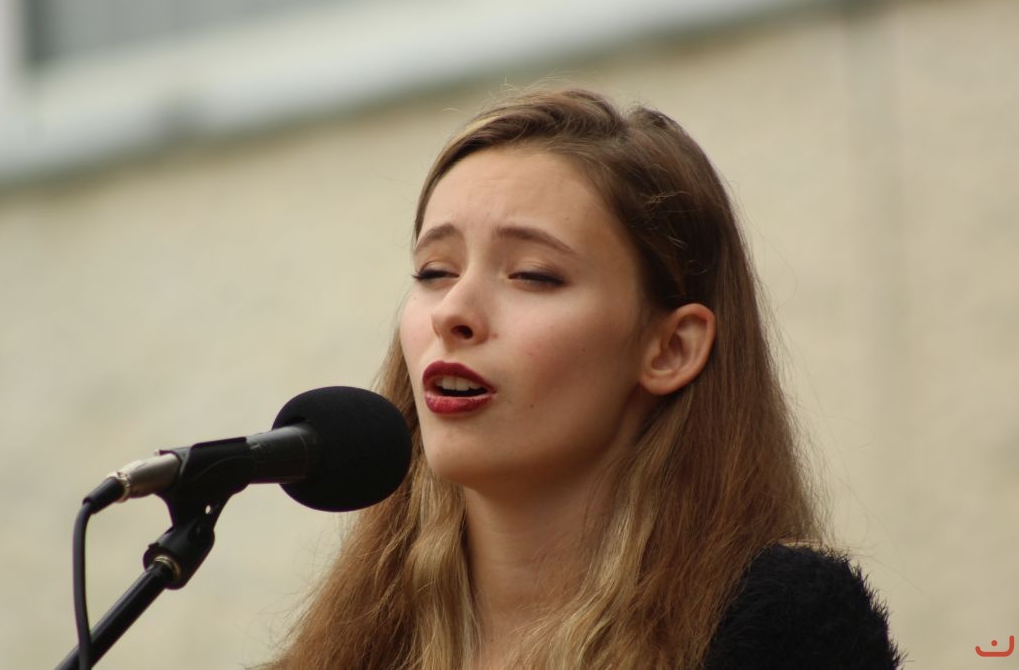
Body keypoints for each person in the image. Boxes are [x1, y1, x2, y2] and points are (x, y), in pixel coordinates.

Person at [267, 88, 902, 669]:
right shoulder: (342, 650)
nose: (452, 312)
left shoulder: (781, 632)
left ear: (671, 348)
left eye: (533, 274)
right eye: (435, 271)